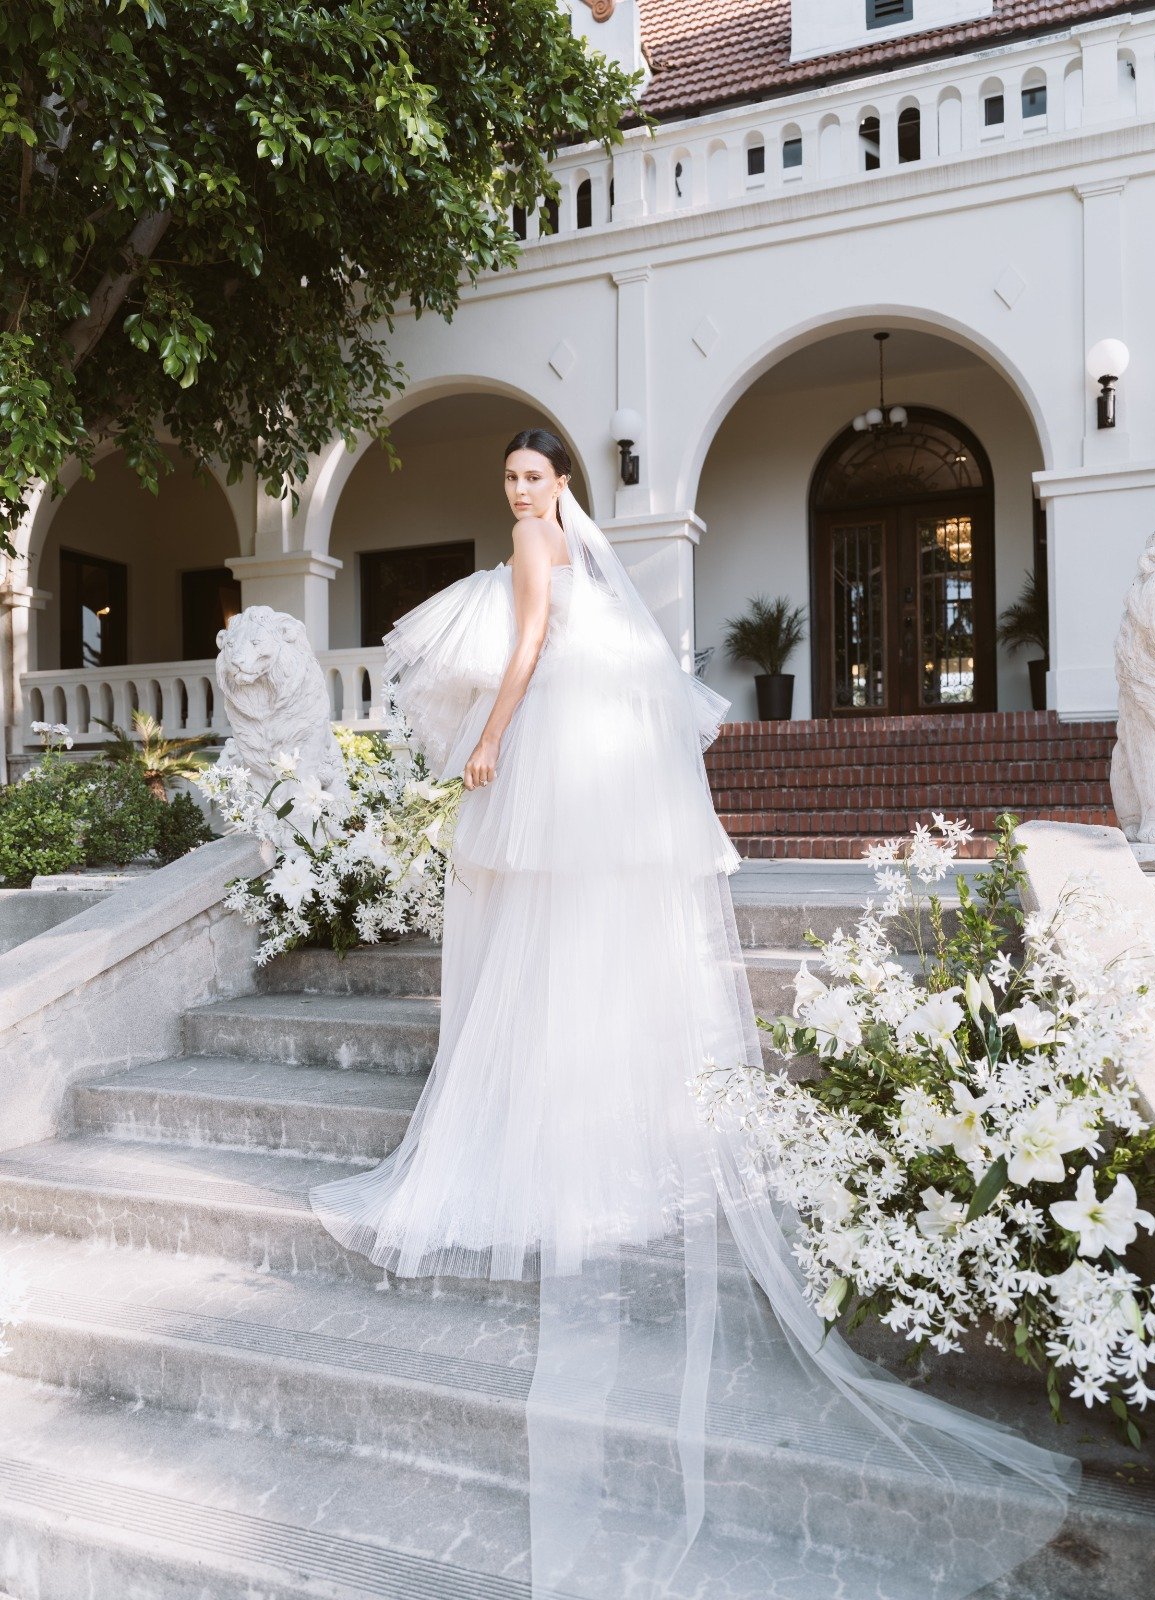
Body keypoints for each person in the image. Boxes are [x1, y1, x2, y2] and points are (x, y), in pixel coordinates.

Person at [309, 428, 1081, 1600]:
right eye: (509, 479)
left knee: (563, 947)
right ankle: (593, 1125)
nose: (520, 493)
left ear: (562, 480)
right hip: (597, 788)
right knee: (574, 948)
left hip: (565, 775)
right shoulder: (578, 563)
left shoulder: (542, 550)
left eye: (533, 477)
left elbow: (522, 654)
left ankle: (561, 1124)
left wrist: (491, 741)